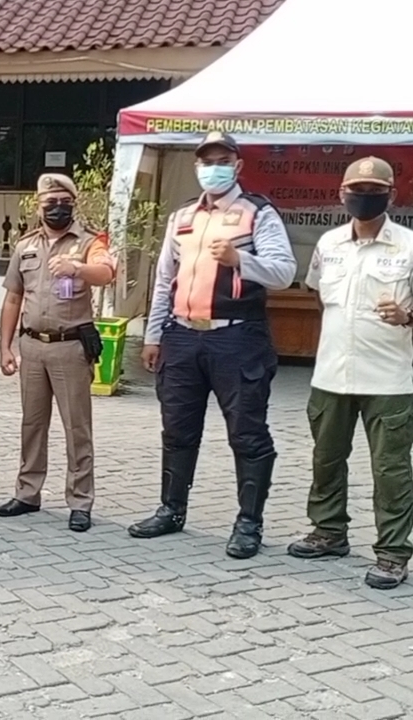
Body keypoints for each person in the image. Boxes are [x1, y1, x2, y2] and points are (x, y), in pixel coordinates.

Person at [130, 131, 296, 559]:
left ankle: (248, 523)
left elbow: (283, 272)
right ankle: (171, 508)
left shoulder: (258, 213)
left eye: (222, 159)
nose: (213, 167)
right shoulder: (183, 216)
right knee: (178, 430)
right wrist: (154, 335)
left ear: (238, 165)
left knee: (247, 433)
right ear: (197, 166)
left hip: (237, 337)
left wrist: (242, 260)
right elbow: (166, 278)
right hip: (183, 335)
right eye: (206, 161)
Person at [288, 156, 413, 590]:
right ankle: (328, 532)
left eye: (373, 189)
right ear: (342, 194)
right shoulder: (329, 244)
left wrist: (407, 315)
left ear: (391, 195)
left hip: (388, 380)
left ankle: (393, 554)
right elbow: (321, 297)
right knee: (325, 460)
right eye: (355, 188)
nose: (363, 195)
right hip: (331, 376)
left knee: (390, 471)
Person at [0, 174, 115, 532]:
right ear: (39, 205)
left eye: (64, 201)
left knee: (77, 427)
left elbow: (107, 272)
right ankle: (28, 493)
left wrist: (77, 267)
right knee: (32, 425)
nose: (57, 207)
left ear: (73, 203)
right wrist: (5, 347)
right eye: (50, 202)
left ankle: (80, 501)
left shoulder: (90, 241)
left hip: (70, 347)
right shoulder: (26, 245)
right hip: (32, 345)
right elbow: (13, 297)